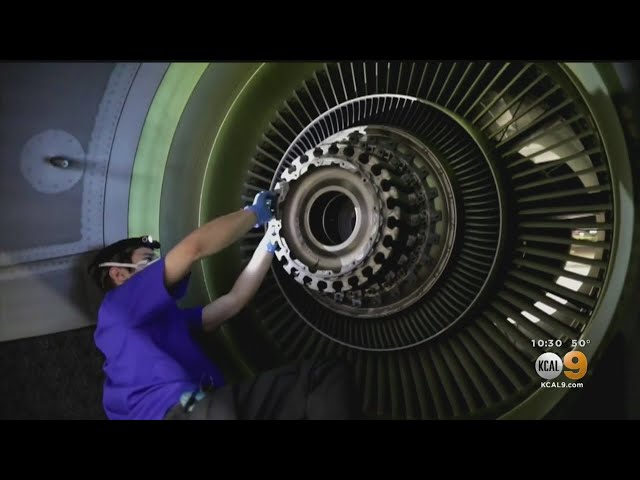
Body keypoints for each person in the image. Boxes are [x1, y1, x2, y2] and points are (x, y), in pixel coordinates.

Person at [88, 191, 359, 420]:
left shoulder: (165, 322)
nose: (156, 266)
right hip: (181, 413)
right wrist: (252, 214)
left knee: (321, 379)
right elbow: (192, 249)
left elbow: (233, 302)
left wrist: (271, 241)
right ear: (118, 274)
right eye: (147, 260)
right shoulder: (115, 310)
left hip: (206, 406)